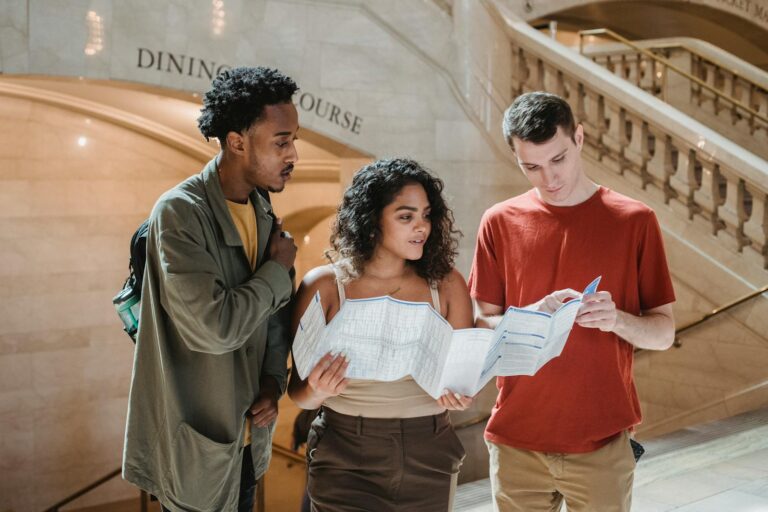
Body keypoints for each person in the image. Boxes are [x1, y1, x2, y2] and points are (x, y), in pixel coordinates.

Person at [469, 92, 676, 512]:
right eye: (532, 166)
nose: (549, 178)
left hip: (602, 444)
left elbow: (664, 333)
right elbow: (479, 325)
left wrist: (616, 319)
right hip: (515, 442)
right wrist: (527, 319)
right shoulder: (498, 221)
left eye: (558, 159)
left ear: (578, 138)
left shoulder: (635, 220)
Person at [122, 66, 300, 512]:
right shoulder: (179, 213)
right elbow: (212, 328)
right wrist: (278, 270)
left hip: (247, 444)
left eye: (292, 139)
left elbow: (274, 315)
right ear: (237, 141)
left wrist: (272, 381)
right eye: (282, 141)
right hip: (196, 450)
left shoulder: (262, 208)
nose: (293, 153)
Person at [288, 158, 473, 511]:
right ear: (372, 220)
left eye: (426, 215)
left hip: (429, 450)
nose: (421, 227)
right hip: (344, 451)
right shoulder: (324, 286)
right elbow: (298, 394)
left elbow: (463, 381)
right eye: (406, 217)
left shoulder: (447, 285)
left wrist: (460, 395)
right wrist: (315, 390)